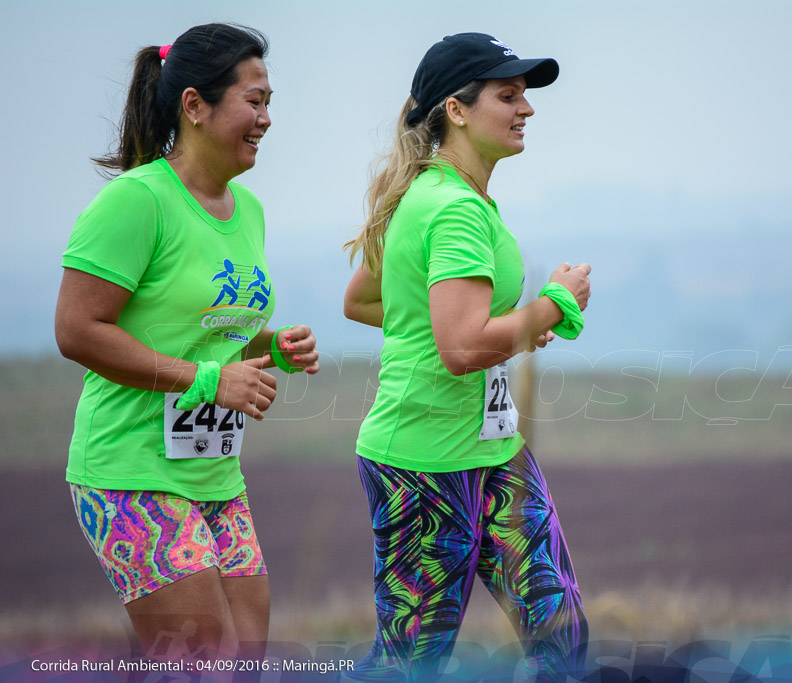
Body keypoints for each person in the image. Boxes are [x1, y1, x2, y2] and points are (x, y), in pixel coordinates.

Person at [54, 23, 319, 660]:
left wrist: (270, 347)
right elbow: (76, 330)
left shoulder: (247, 209)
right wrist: (208, 382)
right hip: (128, 471)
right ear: (194, 105)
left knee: (245, 658)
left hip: (213, 472)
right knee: (205, 660)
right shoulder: (135, 201)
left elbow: (209, 334)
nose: (266, 119)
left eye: (269, 103)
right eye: (253, 102)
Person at [343, 32, 590, 682]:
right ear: (456, 109)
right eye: (508, 95)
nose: (526, 108)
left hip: (494, 452)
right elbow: (458, 347)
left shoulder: (451, 197)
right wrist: (552, 306)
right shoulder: (450, 208)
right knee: (408, 665)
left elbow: (372, 300)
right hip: (422, 467)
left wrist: (499, 330)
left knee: (561, 631)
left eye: (525, 96)